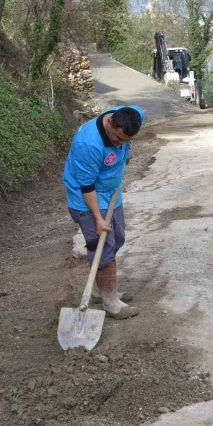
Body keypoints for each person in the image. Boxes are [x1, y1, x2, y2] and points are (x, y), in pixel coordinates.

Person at [63, 105, 145, 319]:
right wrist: (98, 219)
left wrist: (128, 147)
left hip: (111, 194)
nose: (120, 144)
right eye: (118, 139)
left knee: (117, 239)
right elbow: (86, 187)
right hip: (88, 199)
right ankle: (111, 303)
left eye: (126, 140)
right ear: (110, 123)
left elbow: (127, 136)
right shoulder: (88, 145)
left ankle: (105, 289)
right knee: (103, 248)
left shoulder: (132, 114)